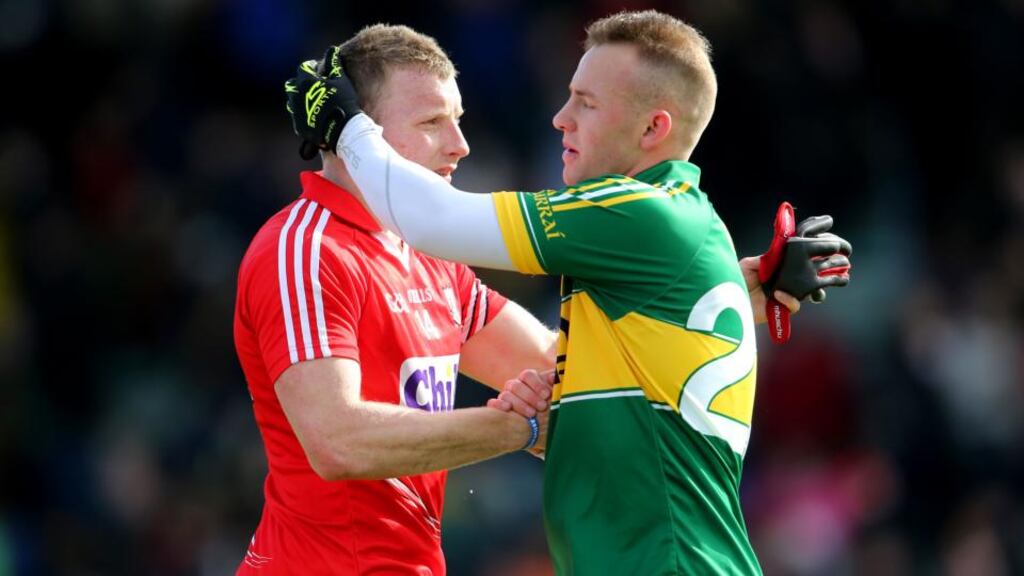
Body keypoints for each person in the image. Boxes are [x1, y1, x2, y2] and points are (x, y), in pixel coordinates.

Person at [286, 10, 851, 576]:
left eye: (587, 103)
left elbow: (431, 219)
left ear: (653, 129)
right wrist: (745, 284)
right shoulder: (676, 228)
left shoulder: (634, 212)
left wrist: (347, 125)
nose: (561, 119)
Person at [234, 25, 560, 575]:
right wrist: (518, 427)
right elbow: (340, 442)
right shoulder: (307, 249)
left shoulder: (430, 254)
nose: (460, 144)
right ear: (355, 134)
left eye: (458, 119)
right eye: (432, 122)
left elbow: (559, 369)